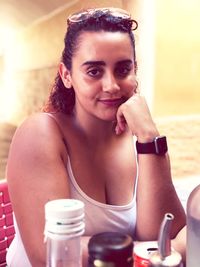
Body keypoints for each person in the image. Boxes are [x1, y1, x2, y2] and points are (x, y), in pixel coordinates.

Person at [6, 7, 186, 267]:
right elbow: (51, 254)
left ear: (136, 71)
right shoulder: (40, 134)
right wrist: (160, 251)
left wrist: (149, 138)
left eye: (123, 69)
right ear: (67, 75)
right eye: (94, 71)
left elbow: (162, 235)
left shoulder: (141, 139)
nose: (112, 85)